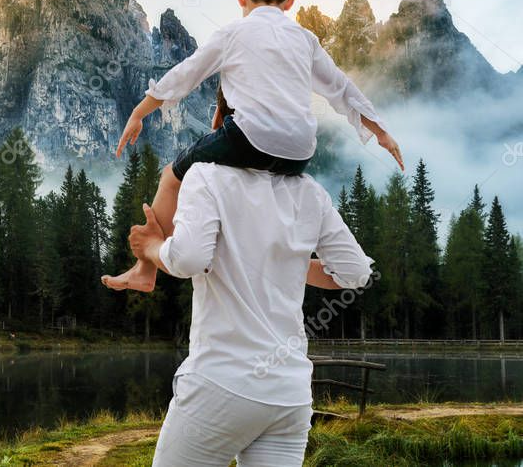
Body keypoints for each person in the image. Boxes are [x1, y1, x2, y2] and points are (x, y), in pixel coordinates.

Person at [101, 0, 401, 293]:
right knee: (258, 161)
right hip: (299, 153)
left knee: (171, 176)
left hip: (250, 138)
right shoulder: (305, 39)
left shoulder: (232, 33)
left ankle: (145, 269)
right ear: (291, 0)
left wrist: (139, 112)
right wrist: (381, 132)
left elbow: (186, 74)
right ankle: (284, 259)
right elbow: (341, 88)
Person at [128, 153, 374, 465]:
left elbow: (188, 259)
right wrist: (283, 262)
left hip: (221, 383)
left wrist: (150, 247)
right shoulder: (309, 191)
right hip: (289, 394)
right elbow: (355, 272)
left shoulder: (206, 175)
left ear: (221, 116)